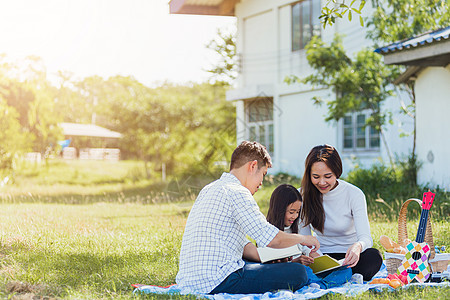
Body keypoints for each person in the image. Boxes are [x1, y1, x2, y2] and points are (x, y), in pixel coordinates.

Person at [176, 141, 320, 294]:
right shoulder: (237, 192)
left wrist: (269, 260)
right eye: (263, 174)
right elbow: (272, 239)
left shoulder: (210, 188)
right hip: (218, 280)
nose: (261, 184)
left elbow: (242, 245)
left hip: (190, 281)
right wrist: (305, 239)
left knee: (255, 263)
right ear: (252, 166)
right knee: (297, 272)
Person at [298, 144, 382, 281]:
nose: (322, 182)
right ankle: (343, 277)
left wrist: (357, 246)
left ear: (337, 172)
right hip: (320, 255)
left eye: (328, 176)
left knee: (373, 257)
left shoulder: (354, 194)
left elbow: (366, 238)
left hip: (350, 257)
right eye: (315, 177)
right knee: (300, 265)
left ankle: (337, 276)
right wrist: (315, 256)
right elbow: (304, 238)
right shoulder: (302, 195)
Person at [266, 184, 314, 265]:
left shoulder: (294, 227)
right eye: (291, 212)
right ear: (279, 210)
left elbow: (302, 248)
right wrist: (293, 262)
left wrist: (311, 254)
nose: (295, 216)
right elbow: (270, 263)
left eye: (298, 212)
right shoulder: (267, 233)